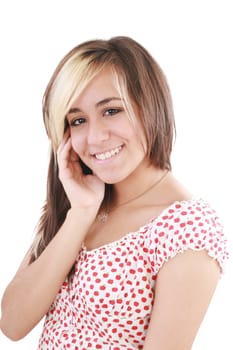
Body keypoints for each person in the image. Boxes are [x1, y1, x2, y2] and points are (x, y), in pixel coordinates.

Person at [0, 36, 229, 350]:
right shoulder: (76, 203)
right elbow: (12, 323)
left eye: (111, 111)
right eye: (78, 120)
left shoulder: (186, 228)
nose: (95, 137)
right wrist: (80, 214)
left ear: (149, 105)